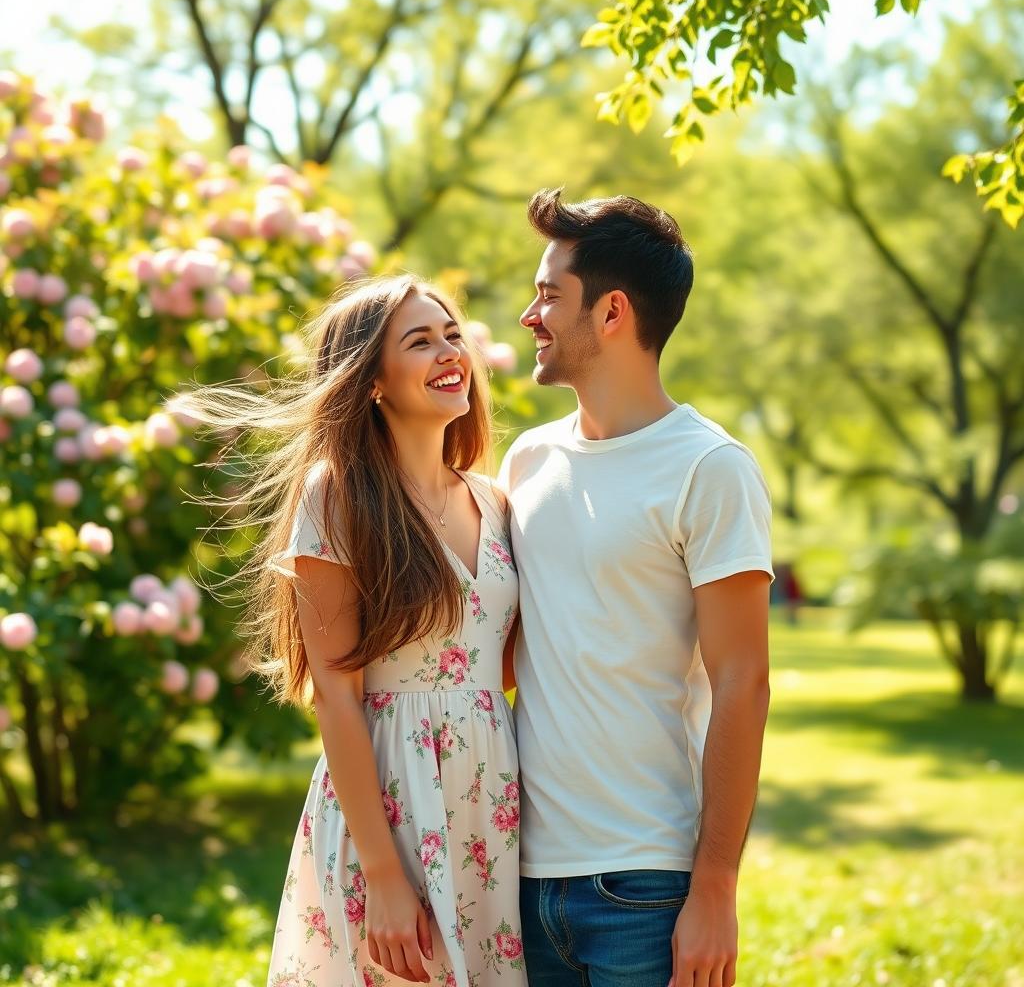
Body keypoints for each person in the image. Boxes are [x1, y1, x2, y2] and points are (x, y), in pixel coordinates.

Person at [181, 276, 525, 987]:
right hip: (389, 802)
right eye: (420, 341)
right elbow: (335, 696)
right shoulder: (338, 495)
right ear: (372, 381)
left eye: (453, 335)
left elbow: (504, 663)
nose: (448, 352)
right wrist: (385, 878)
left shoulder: (494, 502)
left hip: (489, 802)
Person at [499, 190, 774, 987]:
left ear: (612, 311)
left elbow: (742, 682)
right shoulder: (526, 461)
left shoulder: (709, 468)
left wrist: (715, 886)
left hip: (644, 884)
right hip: (517, 872)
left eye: (549, 295)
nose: (529, 315)